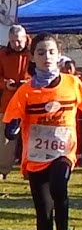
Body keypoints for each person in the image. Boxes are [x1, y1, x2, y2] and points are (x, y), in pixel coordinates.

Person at [3, 33, 82, 230]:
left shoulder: (73, 83)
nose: (46, 57)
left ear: (59, 55)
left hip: (63, 152)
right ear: (32, 57)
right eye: (40, 52)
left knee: (60, 185)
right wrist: (13, 128)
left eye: (51, 52)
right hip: (36, 157)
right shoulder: (26, 91)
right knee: (43, 213)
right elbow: (11, 121)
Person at [0, 24, 31, 179]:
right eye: (12, 41)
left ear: (25, 38)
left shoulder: (35, 53)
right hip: (8, 102)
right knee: (5, 139)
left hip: (31, 101)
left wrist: (29, 82)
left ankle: (31, 170)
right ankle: (2, 170)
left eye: (18, 41)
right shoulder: (2, 54)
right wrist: (5, 83)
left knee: (31, 137)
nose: (16, 44)